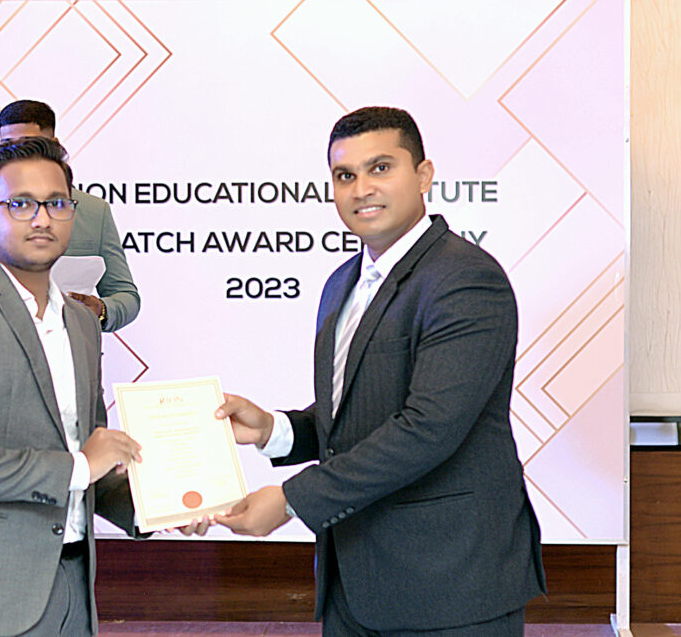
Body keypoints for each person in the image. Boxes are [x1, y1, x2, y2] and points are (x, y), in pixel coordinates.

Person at [215, 107, 546, 636]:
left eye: (381, 168)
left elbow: (428, 428)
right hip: (354, 580)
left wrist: (293, 500)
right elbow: (363, 414)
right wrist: (275, 429)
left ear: (423, 175)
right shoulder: (342, 282)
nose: (361, 188)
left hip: (449, 583)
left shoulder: (465, 279)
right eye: (345, 175)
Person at [0, 138, 206, 637]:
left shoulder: (81, 322)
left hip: (71, 581)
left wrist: (160, 506)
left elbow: (89, 454)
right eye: (21, 203)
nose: (42, 219)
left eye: (57, 203)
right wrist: (81, 465)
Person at [0, 99, 140, 332]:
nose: (17, 156)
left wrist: (100, 310)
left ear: (53, 145)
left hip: (67, 344)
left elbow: (126, 295)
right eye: (7, 146)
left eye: (29, 145)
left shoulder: (94, 211)